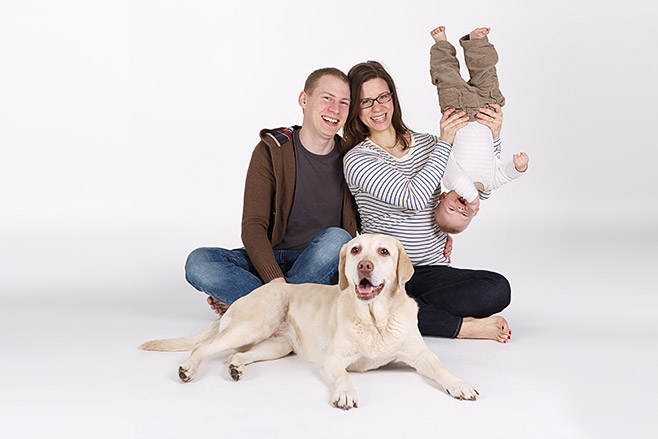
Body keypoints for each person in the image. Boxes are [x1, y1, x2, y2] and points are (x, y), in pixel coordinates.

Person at [343, 60, 511, 343]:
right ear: (355, 109)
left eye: (383, 97)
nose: (378, 108)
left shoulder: (427, 144)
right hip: (387, 274)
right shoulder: (357, 160)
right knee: (378, 300)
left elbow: (475, 193)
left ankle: (405, 312)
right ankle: (462, 327)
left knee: (497, 288)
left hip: (432, 270)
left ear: (393, 98)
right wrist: (445, 144)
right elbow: (413, 198)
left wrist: (492, 137)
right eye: (366, 101)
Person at [185, 68, 359, 315]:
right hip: (271, 257)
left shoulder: (353, 157)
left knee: (338, 240)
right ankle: (287, 313)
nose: (335, 110)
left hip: (322, 266)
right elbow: (253, 225)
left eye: (344, 103)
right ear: (304, 100)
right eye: (327, 98)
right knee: (199, 262)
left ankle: (253, 308)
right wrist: (276, 282)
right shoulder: (272, 150)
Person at [429, 26, 529, 234]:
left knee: (446, 76)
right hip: (486, 111)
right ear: (475, 214)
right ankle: (477, 43)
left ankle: (441, 44)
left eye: (450, 209)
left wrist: (473, 201)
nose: (459, 207)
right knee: (487, 74)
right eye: (463, 214)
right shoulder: (490, 183)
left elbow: (460, 181)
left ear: (443, 197)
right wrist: (519, 168)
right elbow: (505, 175)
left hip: (457, 111)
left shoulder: (449, 179)